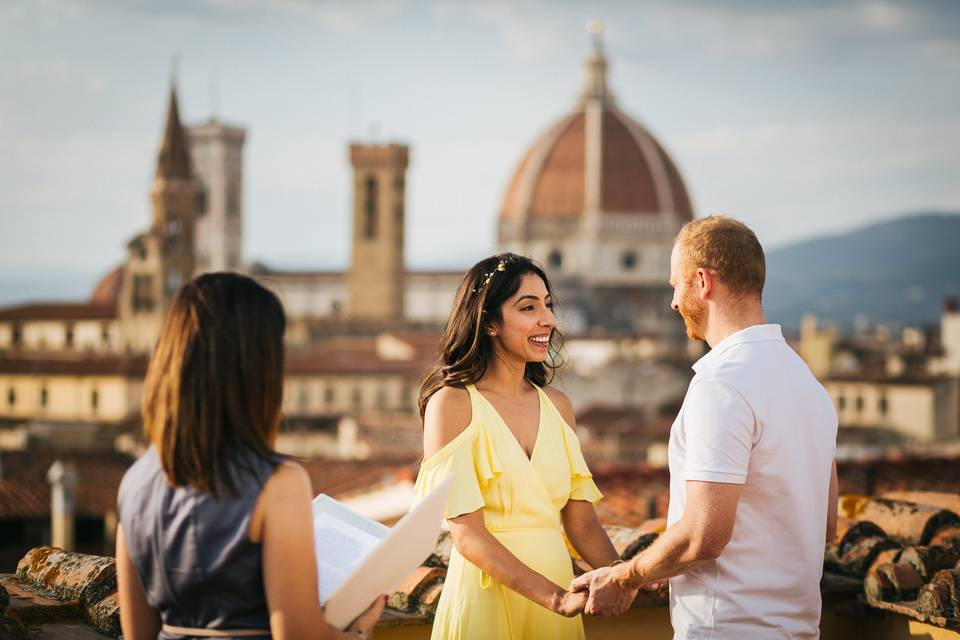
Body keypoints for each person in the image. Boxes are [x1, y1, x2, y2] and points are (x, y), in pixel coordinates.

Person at [571, 216, 839, 638]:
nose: (673, 303)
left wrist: (627, 576)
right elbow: (825, 525)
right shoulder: (807, 384)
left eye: (675, 285)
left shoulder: (722, 384)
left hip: (729, 628)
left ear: (702, 281)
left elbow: (702, 538)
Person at [115, 272, 384, 640]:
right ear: (257, 369)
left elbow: (137, 634)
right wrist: (359, 633)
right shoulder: (277, 483)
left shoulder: (136, 481)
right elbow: (297, 633)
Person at [411, 253, 627, 639]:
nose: (548, 319)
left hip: (557, 607)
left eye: (548, 305)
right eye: (528, 307)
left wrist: (626, 575)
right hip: (487, 601)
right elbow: (467, 534)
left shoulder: (559, 407)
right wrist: (555, 599)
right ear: (490, 322)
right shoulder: (452, 404)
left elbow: (582, 521)